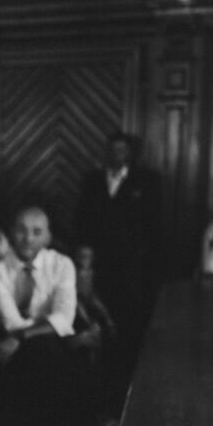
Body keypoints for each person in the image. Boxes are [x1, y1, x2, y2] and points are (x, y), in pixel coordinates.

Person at [0, 206, 80, 426]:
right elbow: (10, 321)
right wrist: (32, 331)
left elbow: (64, 318)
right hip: (19, 347)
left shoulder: (62, 264)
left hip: (44, 347)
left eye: (36, 232)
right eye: (21, 230)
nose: (28, 238)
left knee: (45, 357)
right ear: (11, 232)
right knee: (41, 360)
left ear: (48, 236)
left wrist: (23, 336)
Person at [75, 132, 161, 387]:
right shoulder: (92, 180)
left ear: (130, 153)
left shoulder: (146, 181)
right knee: (99, 313)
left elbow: (153, 223)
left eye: (122, 150)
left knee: (130, 318)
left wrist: (144, 258)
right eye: (113, 150)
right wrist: (84, 253)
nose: (117, 155)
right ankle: (101, 369)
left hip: (132, 264)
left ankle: (128, 371)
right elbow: (82, 219)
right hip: (99, 262)